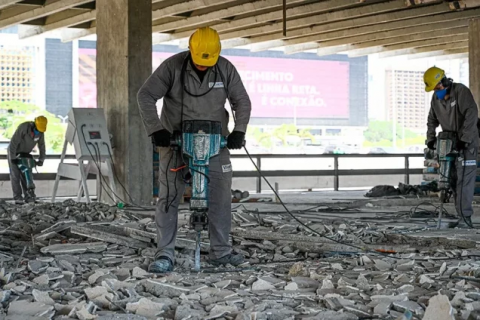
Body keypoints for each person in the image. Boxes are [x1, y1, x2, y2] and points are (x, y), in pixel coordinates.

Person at [137, 27, 251, 273]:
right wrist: (156, 129)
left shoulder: (226, 68)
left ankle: (221, 252)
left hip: (215, 143)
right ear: (190, 50)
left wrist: (239, 131)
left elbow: (241, 100)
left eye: (207, 63)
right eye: (199, 61)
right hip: (175, 143)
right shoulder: (172, 67)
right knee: (168, 198)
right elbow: (145, 95)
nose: (202, 66)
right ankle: (165, 254)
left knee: (221, 197)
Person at [424, 66, 479, 228]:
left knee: (464, 181)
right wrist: (430, 139)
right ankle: (460, 214)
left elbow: (472, 114)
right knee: (452, 180)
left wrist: (465, 139)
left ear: (445, 81)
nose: (437, 91)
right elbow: (431, 120)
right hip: (449, 142)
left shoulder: (461, 92)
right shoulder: (436, 99)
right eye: (434, 89)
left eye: (438, 87)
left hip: (466, 145)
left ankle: (465, 217)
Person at [7, 116, 48, 204]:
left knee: (26, 174)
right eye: (37, 130)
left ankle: (29, 196)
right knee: (15, 175)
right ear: (34, 125)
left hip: (25, 153)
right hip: (14, 152)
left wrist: (41, 159)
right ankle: (18, 197)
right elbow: (13, 144)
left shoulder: (40, 133)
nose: (38, 132)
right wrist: (13, 158)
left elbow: (42, 146)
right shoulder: (23, 128)